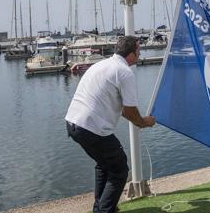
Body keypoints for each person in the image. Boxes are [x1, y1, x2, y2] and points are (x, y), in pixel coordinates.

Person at [65, 36, 155, 213]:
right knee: (120, 170)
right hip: (92, 128)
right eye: (139, 50)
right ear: (131, 54)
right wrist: (144, 122)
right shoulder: (125, 72)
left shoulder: (102, 65)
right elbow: (129, 111)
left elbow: (119, 107)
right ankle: (104, 210)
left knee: (104, 165)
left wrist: (138, 119)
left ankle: (101, 208)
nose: (140, 53)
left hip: (73, 123)